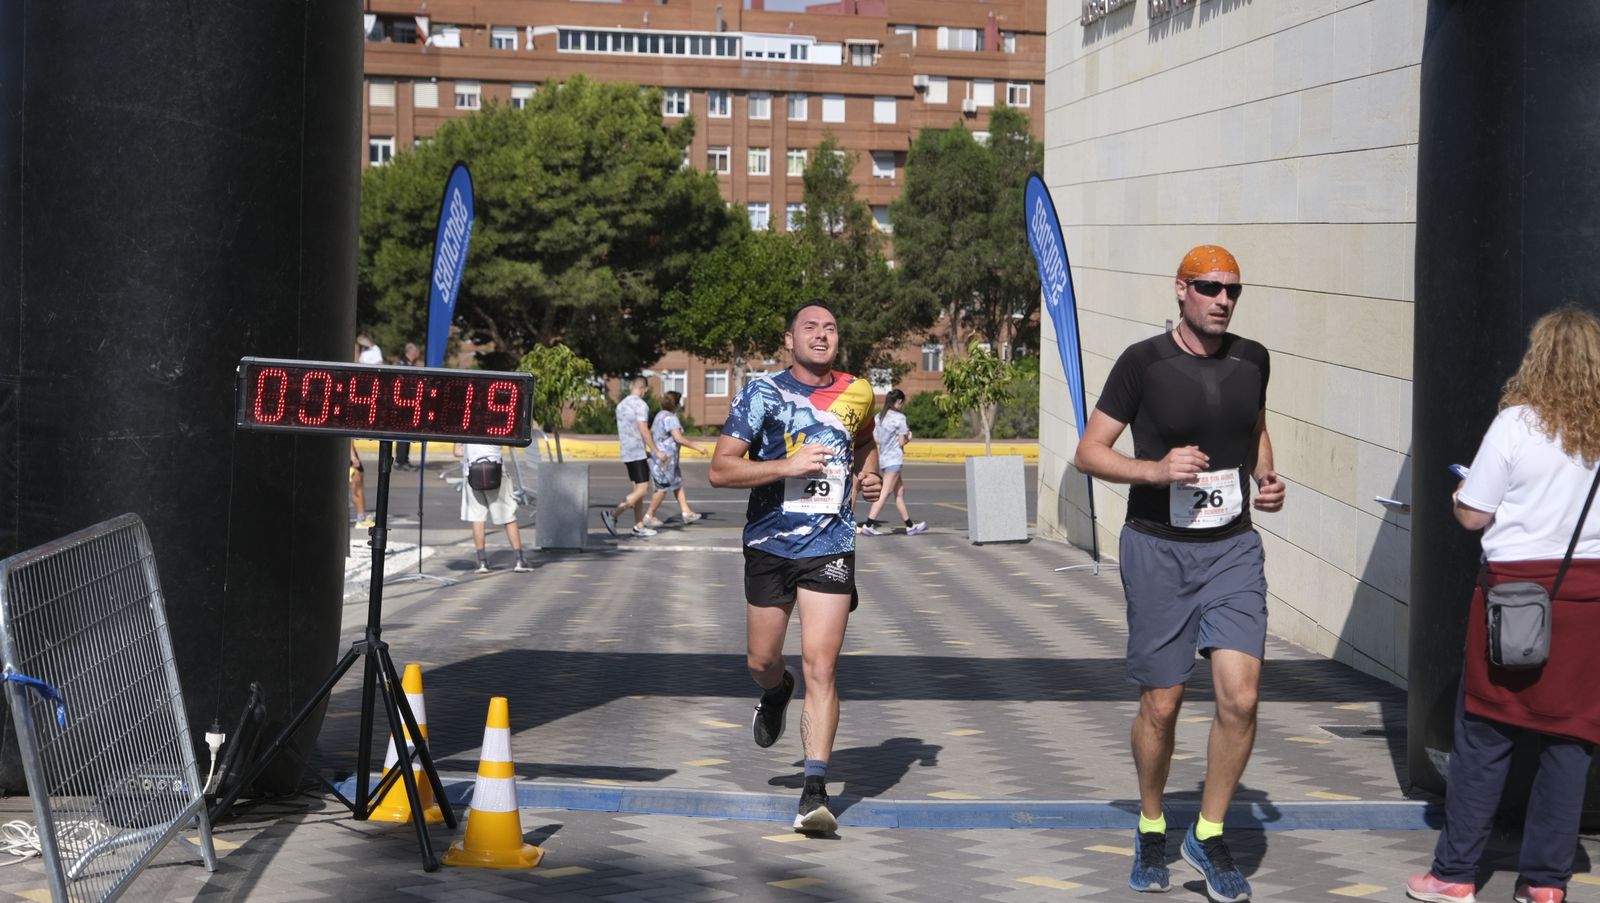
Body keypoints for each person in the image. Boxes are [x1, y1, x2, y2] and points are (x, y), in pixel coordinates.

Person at [1072, 245, 1284, 902]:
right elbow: (1089, 452)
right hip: (1158, 549)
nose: (1223, 300)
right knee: (1162, 704)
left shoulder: (1253, 359)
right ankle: (1151, 821)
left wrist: (1266, 477)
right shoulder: (1143, 363)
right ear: (1181, 289)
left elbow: (1253, 428)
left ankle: (1209, 833)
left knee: (1240, 697)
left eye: (1233, 290)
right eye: (1210, 287)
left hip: (1232, 550)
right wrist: (1155, 470)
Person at [1406, 307, 1600, 903]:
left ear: (1537, 358)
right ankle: (1545, 885)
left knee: (1485, 737)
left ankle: (1454, 875)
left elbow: (1473, 515)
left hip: (1513, 599)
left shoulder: (1516, 424)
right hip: (1589, 602)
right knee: (1570, 743)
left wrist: (1461, 492)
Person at [709, 301, 882, 835]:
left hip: (831, 543)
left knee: (822, 667)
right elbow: (720, 470)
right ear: (790, 340)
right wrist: (789, 465)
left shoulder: (858, 391)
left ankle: (814, 791)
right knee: (762, 660)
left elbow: (865, 443)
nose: (822, 335)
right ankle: (775, 689)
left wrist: (869, 476)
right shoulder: (761, 393)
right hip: (770, 544)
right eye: (811, 327)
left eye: (831, 327)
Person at [452, 442, 531, 574]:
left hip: (471, 473)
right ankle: (519, 560)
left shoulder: (466, 430)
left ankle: (482, 561)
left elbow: (457, 451)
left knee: (477, 518)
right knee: (508, 517)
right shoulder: (497, 429)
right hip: (496, 473)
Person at [859, 388, 926, 536]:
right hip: (894, 460)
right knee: (885, 492)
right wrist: (909, 437)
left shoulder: (879, 417)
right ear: (899, 401)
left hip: (884, 458)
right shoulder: (899, 418)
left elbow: (876, 439)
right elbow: (902, 442)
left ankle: (910, 526)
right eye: (902, 403)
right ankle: (868, 525)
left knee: (899, 493)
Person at [601, 377, 661, 538]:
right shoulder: (641, 405)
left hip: (627, 452)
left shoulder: (621, 405)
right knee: (642, 490)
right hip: (637, 453)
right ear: (644, 389)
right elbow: (643, 429)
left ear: (631, 387)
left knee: (637, 491)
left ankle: (638, 525)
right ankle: (613, 515)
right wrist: (656, 450)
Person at [643, 390, 707, 528]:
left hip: (667, 460)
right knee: (662, 488)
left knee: (677, 483)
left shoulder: (660, 415)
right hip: (665, 461)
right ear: (676, 404)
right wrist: (697, 447)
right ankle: (649, 515)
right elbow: (678, 438)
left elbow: (652, 433)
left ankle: (686, 512)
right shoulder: (671, 418)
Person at [394, 342, 422, 471]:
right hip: (403, 404)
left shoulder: (410, 365)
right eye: (417, 352)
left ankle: (404, 459)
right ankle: (401, 461)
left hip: (411, 404)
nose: (418, 354)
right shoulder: (402, 365)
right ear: (412, 352)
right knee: (403, 435)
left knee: (407, 435)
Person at [349, 444, 373, 529]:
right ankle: (361, 519)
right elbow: (347, 439)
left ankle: (361, 518)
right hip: (344, 448)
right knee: (357, 479)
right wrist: (353, 456)